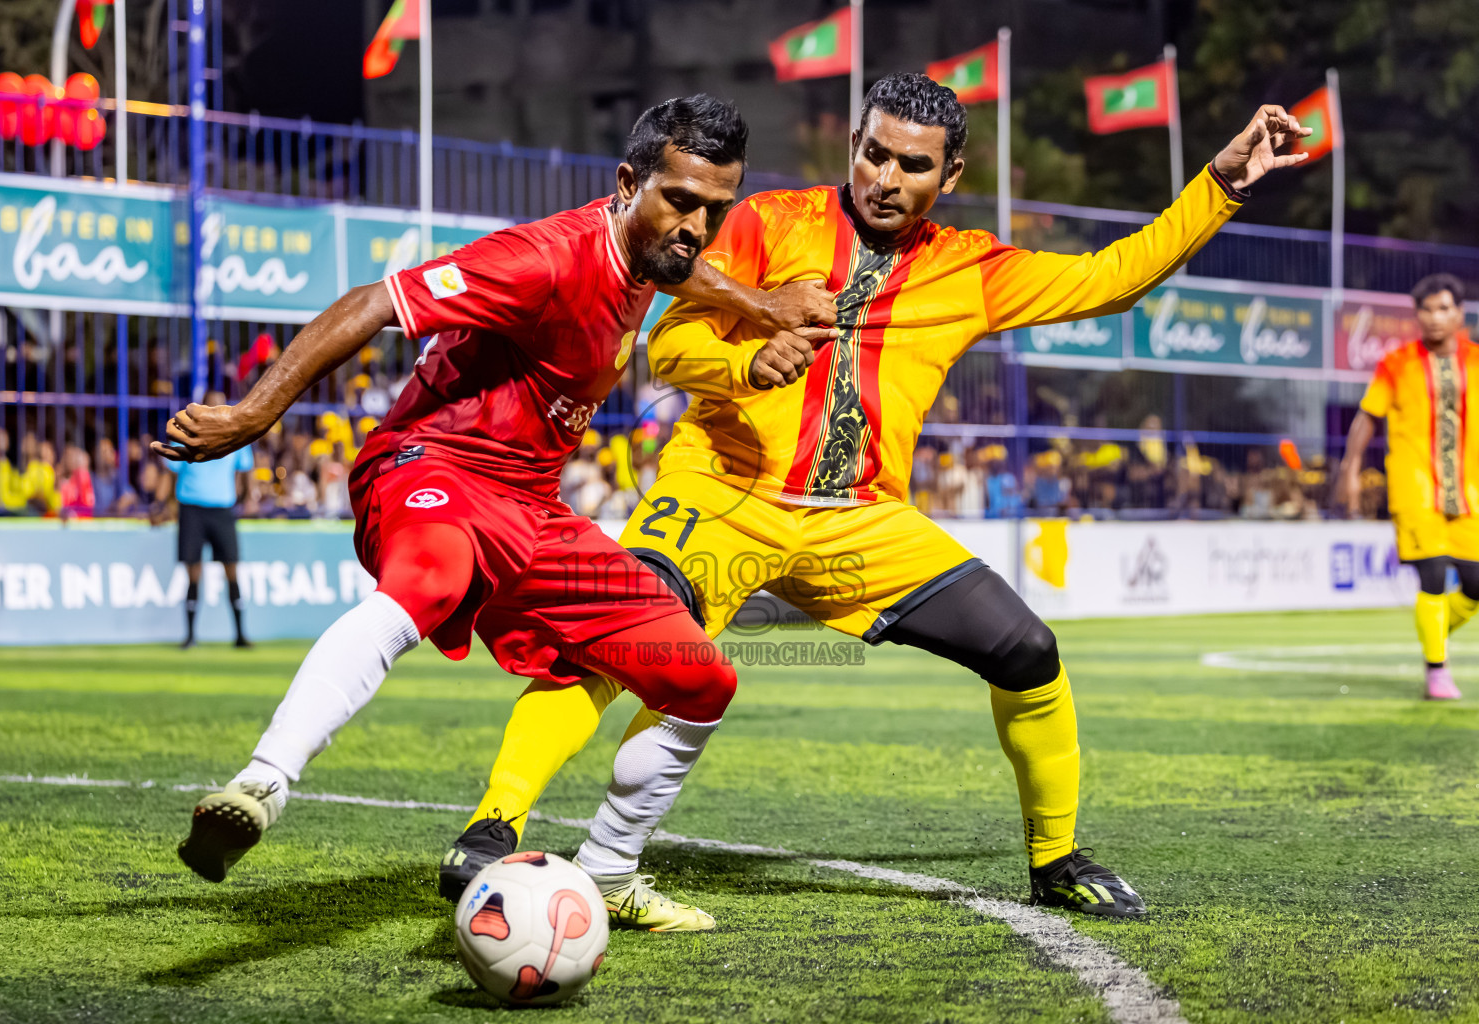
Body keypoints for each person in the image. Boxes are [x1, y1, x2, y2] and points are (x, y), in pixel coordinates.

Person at [441, 73, 1310, 921]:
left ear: (951, 175)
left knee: (1027, 651)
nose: (886, 179)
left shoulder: (970, 270)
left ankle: (1057, 861)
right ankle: (492, 825)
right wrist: (747, 359)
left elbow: (1110, 279)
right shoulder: (767, 222)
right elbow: (666, 349)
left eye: (912, 165)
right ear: (854, 145)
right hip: (723, 492)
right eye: (872, 154)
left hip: (861, 521)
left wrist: (1221, 183)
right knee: (623, 638)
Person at [154, 95, 831, 931]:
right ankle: (261, 784)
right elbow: (375, 301)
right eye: (681, 200)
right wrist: (255, 413)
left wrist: (765, 306)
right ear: (627, 184)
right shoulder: (544, 260)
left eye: (715, 210)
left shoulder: (652, 249)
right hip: (430, 464)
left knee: (699, 675)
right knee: (430, 579)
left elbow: (679, 264)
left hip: (531, 509)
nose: (696, 225)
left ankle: (612, 872)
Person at [1339, 273, 1475, 700]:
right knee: (1432, 573)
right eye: (1427, 310)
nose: (1435, 318)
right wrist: (1350, 470)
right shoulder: (1396, 364)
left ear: (1460, 312)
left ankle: (1430, 630)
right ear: (1417, 316)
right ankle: (1437, 670)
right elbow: (1366, 418)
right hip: (1415, 487)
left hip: (1469, 493)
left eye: (1443, 308)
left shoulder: (1475, 360)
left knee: (1475, 586)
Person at [157, 390, 254, 649]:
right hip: (192, 508)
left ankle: (240, 634)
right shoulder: (187, 434)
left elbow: (244, 474)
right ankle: (190, 635)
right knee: (193, 571)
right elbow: (170, 472)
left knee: (231, 568)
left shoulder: (237, 436)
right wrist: (160, 503)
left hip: (222, 508)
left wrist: (245, 497)